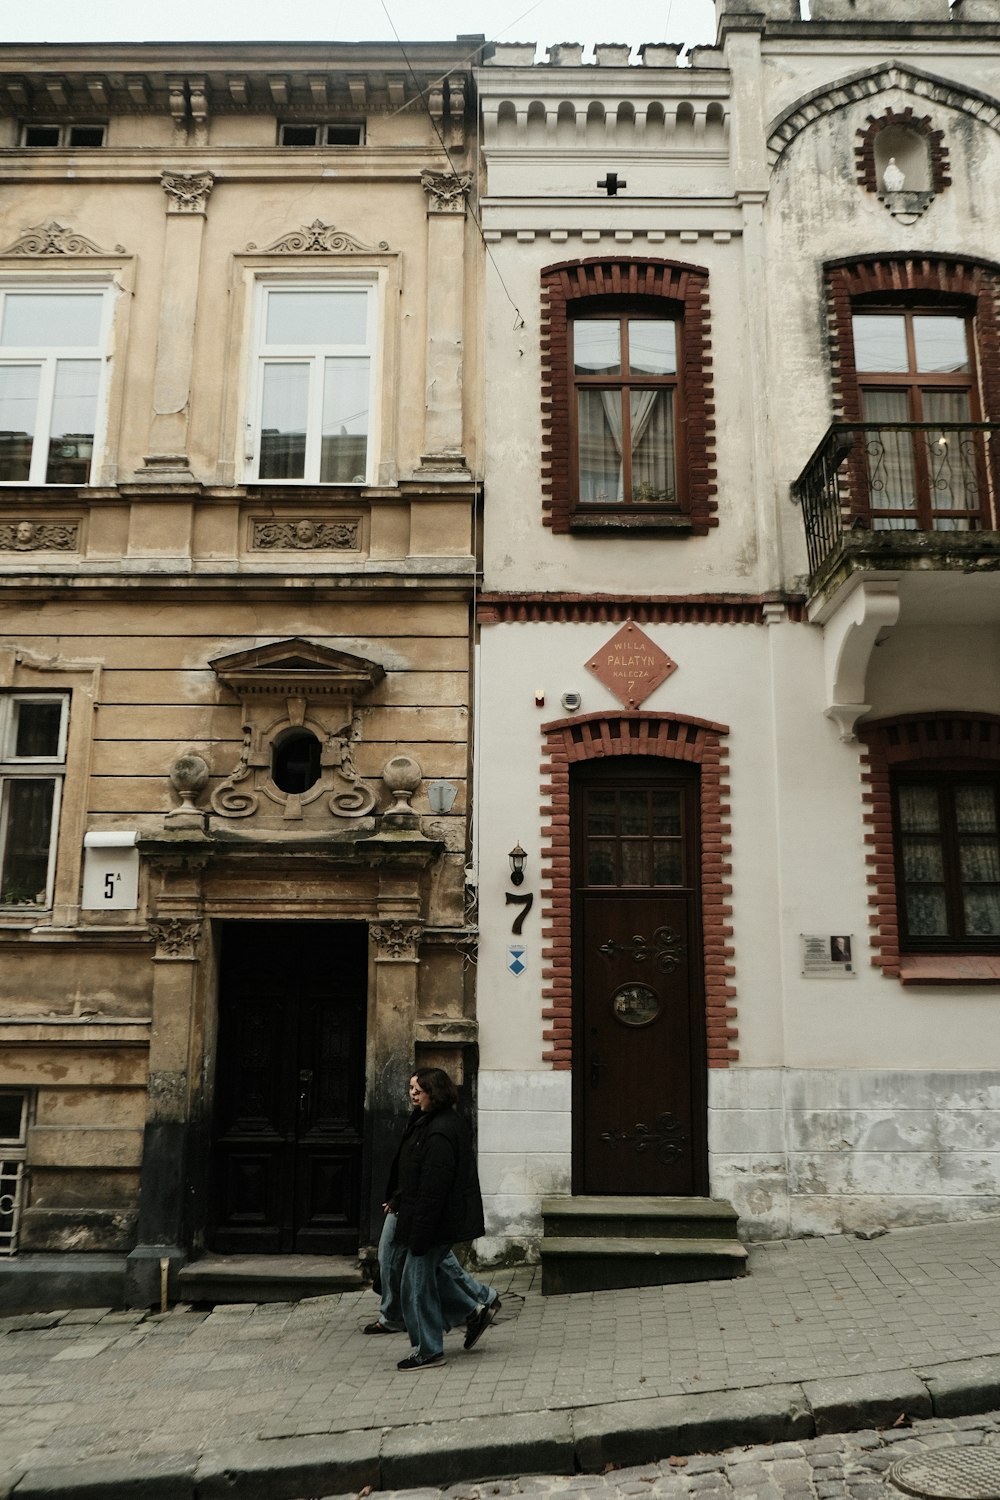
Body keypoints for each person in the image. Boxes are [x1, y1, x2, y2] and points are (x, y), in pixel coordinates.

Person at [365, 1072, 500, 1360]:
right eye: (411, 1088)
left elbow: (433, 1190)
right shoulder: (426, 1121)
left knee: (416, 1285)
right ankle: (472, 1311)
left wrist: (419, 1234)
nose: (413, 1094)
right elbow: (413, 1172)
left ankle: (428, 1349)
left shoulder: (439, 1131)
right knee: (418, 1278)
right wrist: (399, 1199)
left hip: (429, 1223)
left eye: (418, 1090)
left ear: (433, 1093)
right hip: (419, 1216)